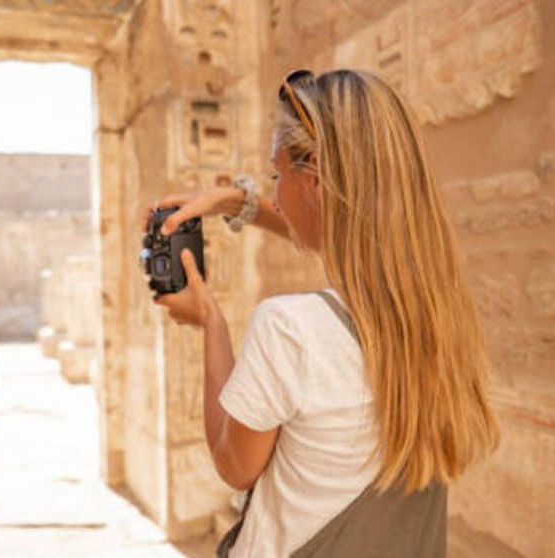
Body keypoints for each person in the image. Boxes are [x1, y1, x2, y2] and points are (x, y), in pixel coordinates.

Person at [145, 69, 500, 557]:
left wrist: (211, 322)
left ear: (314, 175)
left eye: (276, 176)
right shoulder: (440, 313)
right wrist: (236, 202)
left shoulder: (289, 328)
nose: (272, 197)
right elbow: (346, 225)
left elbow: (233, 462)